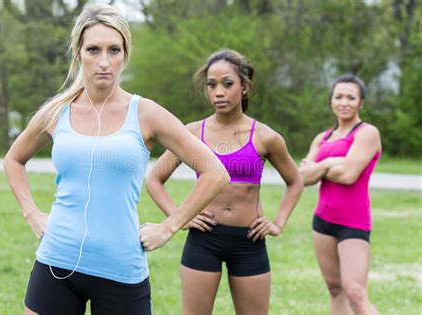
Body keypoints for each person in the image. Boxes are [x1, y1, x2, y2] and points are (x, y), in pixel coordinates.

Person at [3, 4, 229, 315]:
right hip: (56, 262)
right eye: (93, 50)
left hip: (121, 270)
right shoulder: (56, 112)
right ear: (78, 52)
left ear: (125, 54)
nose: (104, 62)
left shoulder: (146, 113)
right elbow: (13, 160)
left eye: (114, 50)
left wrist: (169, 226)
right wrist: (32, 213)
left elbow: (215, 172)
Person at [146, 49, 303, 315]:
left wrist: (278, 222)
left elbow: (295, 181)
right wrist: (179, 217)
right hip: (203, 240)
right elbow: (154, 178)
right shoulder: (192, 132)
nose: (218, 92)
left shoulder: (266, 137)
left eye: (227, 84)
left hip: (249, 242)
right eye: (211, 84)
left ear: (244, 87)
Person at [299, 74, 381, 315]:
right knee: (335, 289)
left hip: (353, 223)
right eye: (339, 97)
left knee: (355, 292)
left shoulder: (367, 133)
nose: (344, 102)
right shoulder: (322, 138)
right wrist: (331, 164)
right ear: (331, 101)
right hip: (322, 221)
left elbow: (348, 175)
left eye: (351, 97)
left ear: (361, 103)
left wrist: (320, 167)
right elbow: (302, 178)